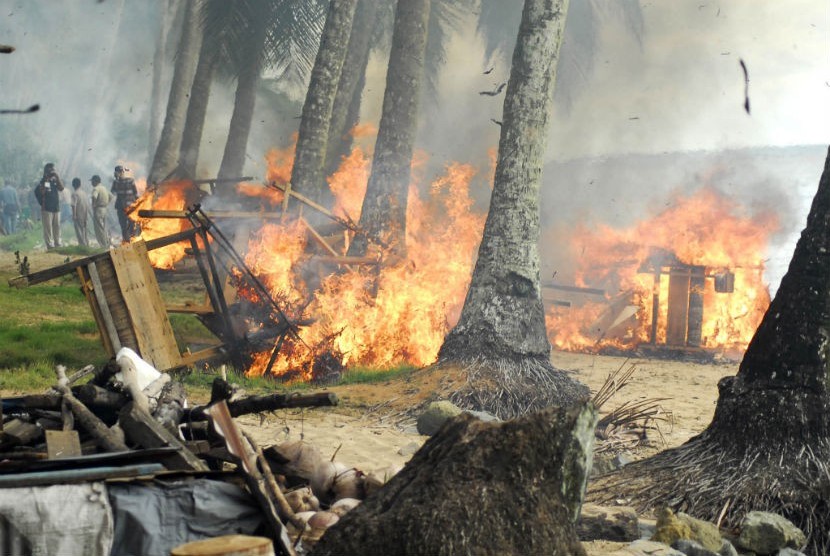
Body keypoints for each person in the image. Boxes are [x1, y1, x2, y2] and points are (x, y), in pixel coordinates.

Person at [34, 163, 64, 249]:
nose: (53, 172)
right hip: (47, 208)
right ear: (46, 171)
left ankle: (58, 244)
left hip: (56, 208)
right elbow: (44, 192)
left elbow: (61, 188)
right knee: (48, 228)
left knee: (57, 227)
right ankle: (50, 246)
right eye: (51, 170)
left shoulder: (55, 181)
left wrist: (57, 177)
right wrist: (47, 178)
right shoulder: (43, 181)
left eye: (53, 170)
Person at [111, 165, 139, 242]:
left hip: (130, 207)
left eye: (120, 172)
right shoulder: (116, 182)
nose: (119, 173)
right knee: (123, 226)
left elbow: (136, 194)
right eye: (117, 172)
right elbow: (112, 192)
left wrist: (137, 205)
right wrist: (116, 180)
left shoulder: (130, 181)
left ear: (123, 172)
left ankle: (132, 240)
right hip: (121, 207)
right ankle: (127, 242)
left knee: (132, 225)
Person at [90, 174, 112, 248]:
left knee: (99, 228)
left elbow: (94, 196)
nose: (91, 183)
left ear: (95, 181)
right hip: (105, 209)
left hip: (98, 209)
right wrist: (106, 203)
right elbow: (111, 196)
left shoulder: (96, 188)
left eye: (92, 181)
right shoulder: (104, 188)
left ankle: (103, 245)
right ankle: (107, 243)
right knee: (104, 227)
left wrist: (93, 205)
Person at [70, 177, 92, 248]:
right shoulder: (84, 193)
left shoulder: (74, 194)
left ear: (73, 185)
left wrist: (74, 215)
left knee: (79, 231)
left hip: (78, 214)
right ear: (80, 184)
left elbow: (74, 205)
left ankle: (82, 246)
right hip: (85, 214)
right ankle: (86, 244)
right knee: (85, 231)